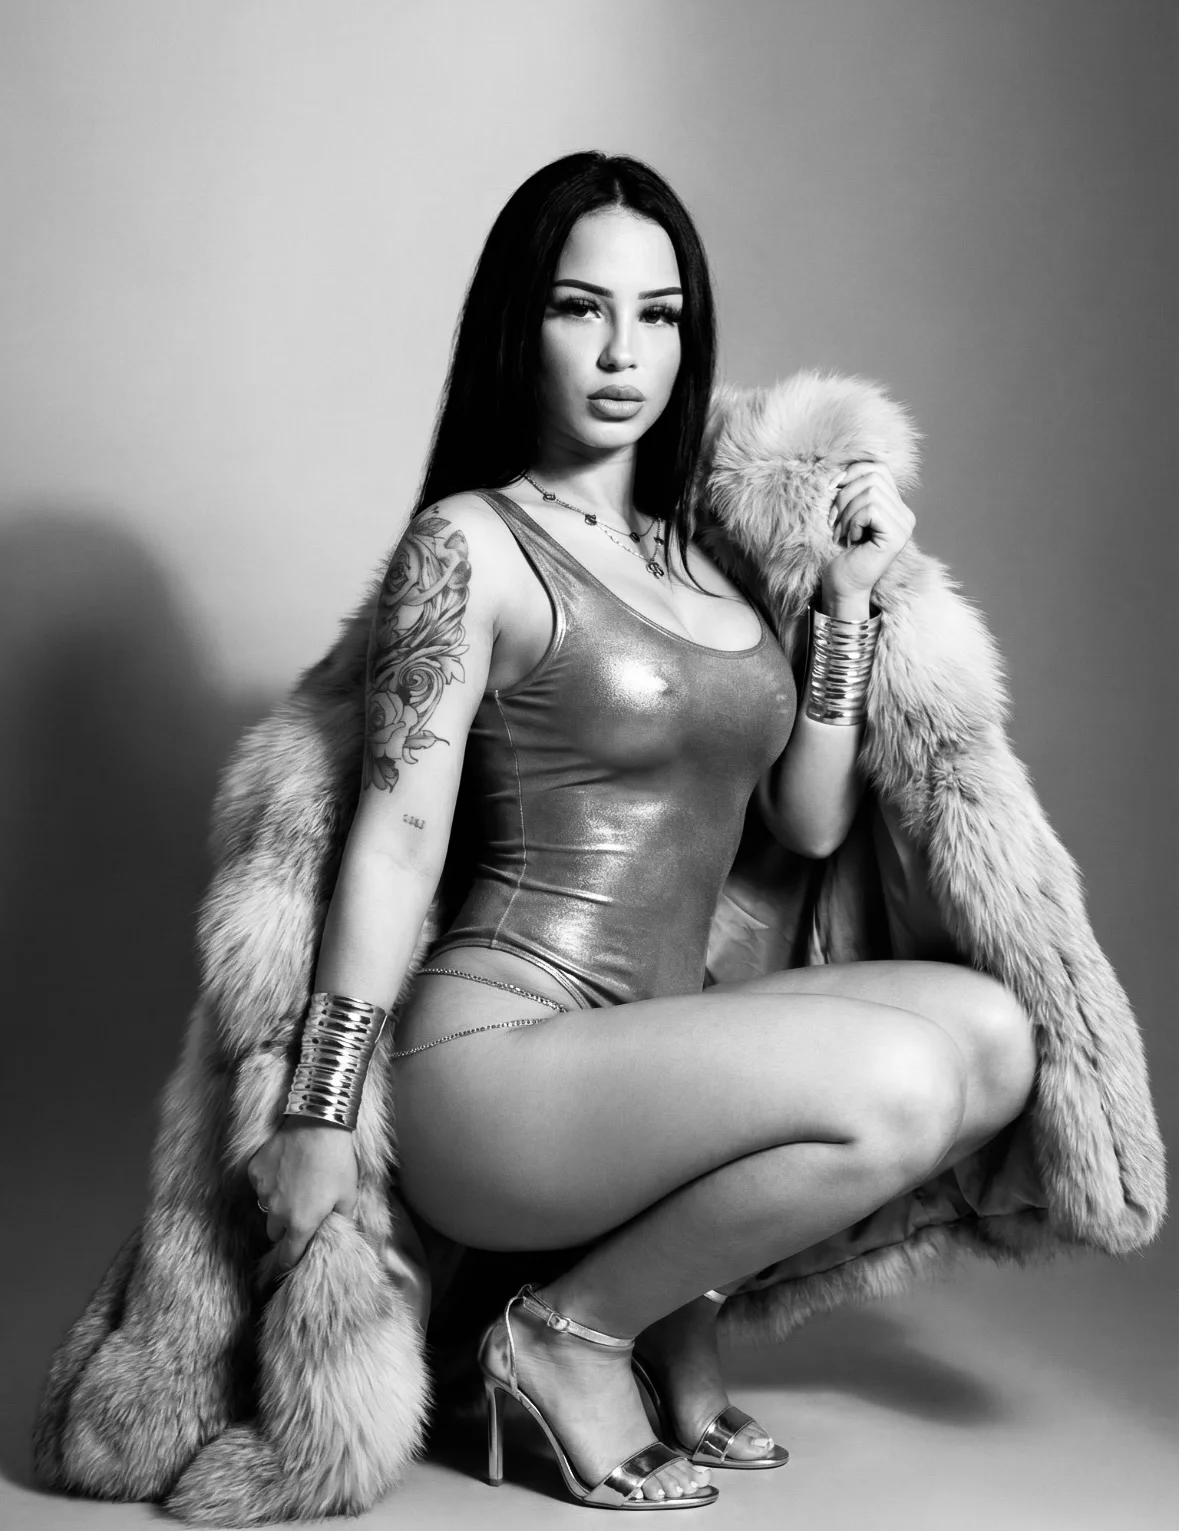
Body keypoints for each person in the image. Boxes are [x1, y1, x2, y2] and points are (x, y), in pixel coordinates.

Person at [246, 151, 1037, 1512]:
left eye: (658, 314)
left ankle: (670, 1302)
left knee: (995, 1037)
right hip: (497, 1065)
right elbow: (394, 841)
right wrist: (322, 1109)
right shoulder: (471, 545)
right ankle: (564, 1337)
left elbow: (805, 822)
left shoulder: (702, 555)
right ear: (521, 324)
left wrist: (846, 602)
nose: (624, 353)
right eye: (581, 308)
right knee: (904, 1085)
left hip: (648, 1051)